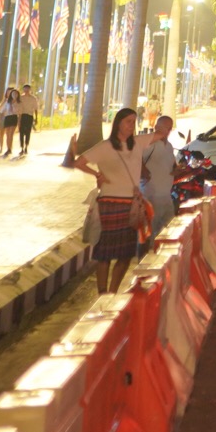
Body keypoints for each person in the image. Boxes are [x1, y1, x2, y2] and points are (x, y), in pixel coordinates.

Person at [71, 107, 145, 294]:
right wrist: (97, 174)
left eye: (134, 122)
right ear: (118, 123)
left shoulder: (136, 144)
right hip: (110, 204)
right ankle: (102, 293)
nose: (131, 125)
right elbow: (79, 162)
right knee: (105, 254)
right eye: (128, 121)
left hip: (130, 205)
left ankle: (113, 291)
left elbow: (159, 133)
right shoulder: (106, 146)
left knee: (126, 254)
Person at [137, 111, 183, 234]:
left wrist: (177, 170)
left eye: (169, 128)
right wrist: (144, 170)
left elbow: (171, 166)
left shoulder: (169, 146)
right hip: (151, 195)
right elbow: (134, 156)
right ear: (156, 127)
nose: (167, 131)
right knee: (152, 230)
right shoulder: (149, 144)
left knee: (168, 229)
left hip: (166, 195)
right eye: (164, 127)